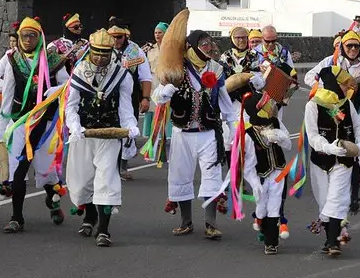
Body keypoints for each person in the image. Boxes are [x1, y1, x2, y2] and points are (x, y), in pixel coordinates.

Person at [152, 29, 237, 239]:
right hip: (182, 132)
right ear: (192, 46)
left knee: (212, 176)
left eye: (210, 43)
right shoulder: (177, 68)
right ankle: (186, 222)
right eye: (204, 44)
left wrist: (235, 130)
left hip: (209, 133)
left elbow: (225, 102)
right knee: (181, 176)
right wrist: (167, 91)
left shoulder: (216, 69)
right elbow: (157, 98)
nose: (209, 47)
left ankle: (210, 224)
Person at [64, 29, 139, 247]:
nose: (100, 59)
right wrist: (74, 126)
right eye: (96, 54)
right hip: (84, 135)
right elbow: (71, 106)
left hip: (109, 134)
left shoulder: (121, 75)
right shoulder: (80, 71)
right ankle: (89, 216)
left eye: (104, 54)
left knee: (106, 180)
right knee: (80, 182)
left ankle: (103, 230)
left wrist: (130, 126)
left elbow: (126, 107)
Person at [0, 17, 69, 233]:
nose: (27, 40)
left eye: (32, 35)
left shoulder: (53, 59)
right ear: (18, 38)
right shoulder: (12, 60)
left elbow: (68, 85)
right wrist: (2, 128)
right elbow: (7, 94)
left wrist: (59, 90)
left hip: (46, 124)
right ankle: (17, 217)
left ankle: (52, 201)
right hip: (20, 122)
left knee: (46, 172)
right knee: (19, 171)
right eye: (24, 35)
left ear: (40, 37)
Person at [304, 31, 360, 214]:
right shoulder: (330, 62)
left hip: (355, 113)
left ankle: (353, 196)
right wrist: (326, 89)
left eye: (356, 46)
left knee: (353, 155)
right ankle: (331, 199)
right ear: (342, 47)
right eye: (349, 46)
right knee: (331, 153)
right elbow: (309, 77)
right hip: (329, 112)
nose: (353, 49)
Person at [230, 62, 298, 255]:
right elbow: (248, 165)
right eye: (268, 106)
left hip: (279, 171)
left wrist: (281, 137)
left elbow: (288, 145)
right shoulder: (249, 134)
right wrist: (254, 184)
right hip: (261, 174)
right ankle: (260, 222)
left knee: (275, 205)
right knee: (262, 205)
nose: (272, 108)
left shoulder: (275, 122)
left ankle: (271, 241)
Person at [303, 65, 360, 257]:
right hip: (321, 161)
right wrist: (329, 147)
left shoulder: (347, 104)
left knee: (337, 198)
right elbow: (312, 136)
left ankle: (333, 242)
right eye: (343, 83)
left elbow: (359, 127)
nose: (347, 87)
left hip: (344, 161)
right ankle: (330, 237)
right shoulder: (313, 105)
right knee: (324, 201)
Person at [108, 18, 153, 181]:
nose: (115, 40)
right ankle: (108, 165)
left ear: (125, 36)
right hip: (106, 98)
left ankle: (122, 166)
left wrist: (146, 98)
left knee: (127, 130)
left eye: (119, 37)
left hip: (129, 97)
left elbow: (145, 77)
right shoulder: (103, 47)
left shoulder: (136, 51)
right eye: (112, 36)